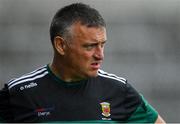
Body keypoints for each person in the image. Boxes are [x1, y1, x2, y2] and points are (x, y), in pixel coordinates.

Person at [0, 3, 165, 123]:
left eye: (102, 45)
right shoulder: (19, 93)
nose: (100, 55)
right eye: (90, 46)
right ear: (61, 45)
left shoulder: (119, 90)